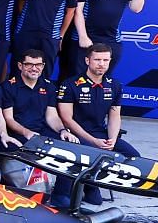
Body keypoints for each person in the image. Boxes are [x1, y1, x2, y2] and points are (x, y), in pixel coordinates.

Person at [53, 41, 138, 207]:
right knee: (89, 151)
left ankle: (92, 183)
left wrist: (112, 139)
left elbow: (114, 115)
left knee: (134, 157)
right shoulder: (70, 84)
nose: (101, 64)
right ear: (87, 61)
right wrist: (93, 141)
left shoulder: (115, 85)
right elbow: (67, 119)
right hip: (74, 135)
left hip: (101, 134)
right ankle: (61, 192)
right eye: (97, 60)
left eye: (105, 60)